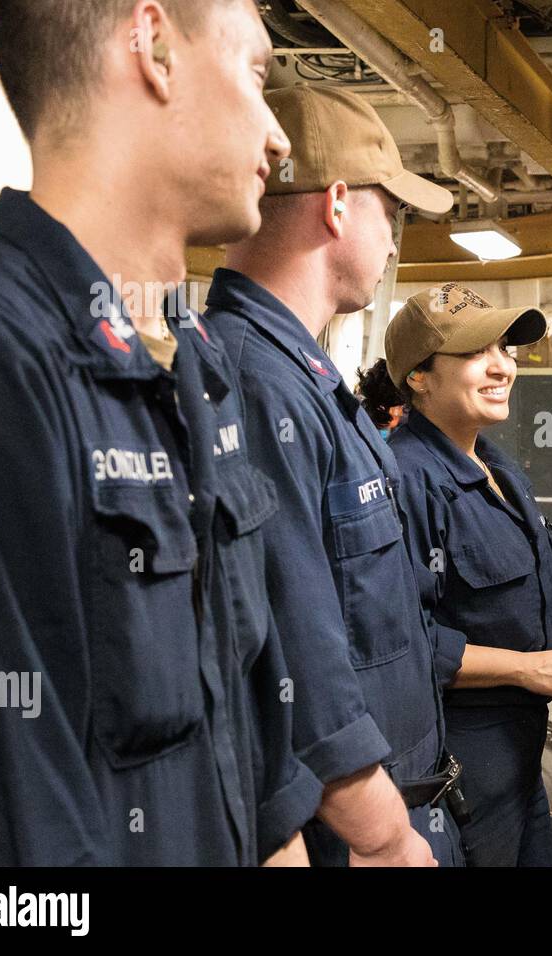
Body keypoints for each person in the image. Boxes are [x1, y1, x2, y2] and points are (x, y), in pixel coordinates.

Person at [0, 0, 324, 865]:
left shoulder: (194, 363)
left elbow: (251, 747)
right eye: (257, 74)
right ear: (153, 46)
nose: (277, 137)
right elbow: (13, 844)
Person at [204, 85, 458, 866]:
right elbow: (290, 649)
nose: (392, 247)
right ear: (339, 205)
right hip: (351, 833)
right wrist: (384, 838)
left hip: (401, 800)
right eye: (392, 216)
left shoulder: (303, 377)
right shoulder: (254, 381)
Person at [358, 285, 552, 867]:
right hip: (460, 766)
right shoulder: (407, 480)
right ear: (418, 376)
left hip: (521, 761)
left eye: (505, 350)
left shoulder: (494, 464)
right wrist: (526, 667)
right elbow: (404, 641)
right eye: (474, 354)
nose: (502, 368)